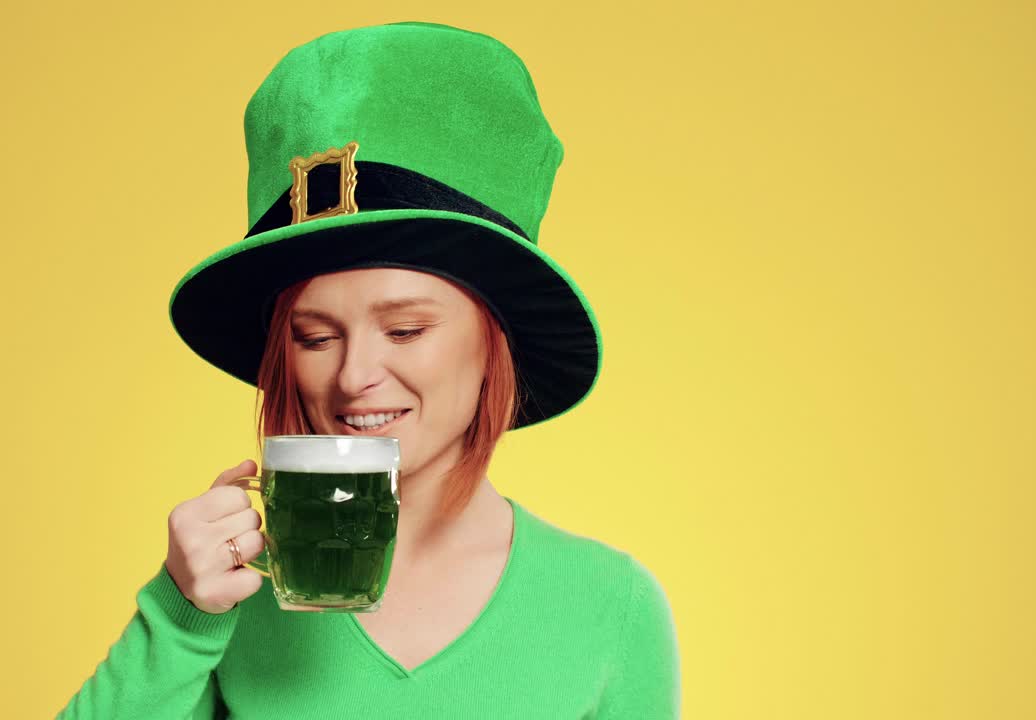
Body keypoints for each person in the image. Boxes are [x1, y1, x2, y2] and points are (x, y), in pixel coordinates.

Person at [57, 21, 680, 719]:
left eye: (405, 330)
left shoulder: (612, 608)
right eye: (316, 337)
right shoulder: (226, 592)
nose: (353, 376)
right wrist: (180, 615)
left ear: (494, 340)